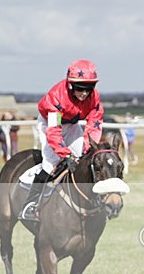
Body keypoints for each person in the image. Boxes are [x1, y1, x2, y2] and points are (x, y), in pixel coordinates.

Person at [19, 59, 104, 221]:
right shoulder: (57, 98)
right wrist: (66, 155)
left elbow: (94, 126)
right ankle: (30, 205)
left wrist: (88, 149)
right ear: (70, 84)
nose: (85, 93)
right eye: (80, 88)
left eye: (89, 88)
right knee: (51, 163)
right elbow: (54, 132)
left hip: (71, 125)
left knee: (86, 159)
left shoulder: (95, 99)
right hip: (50, 125)